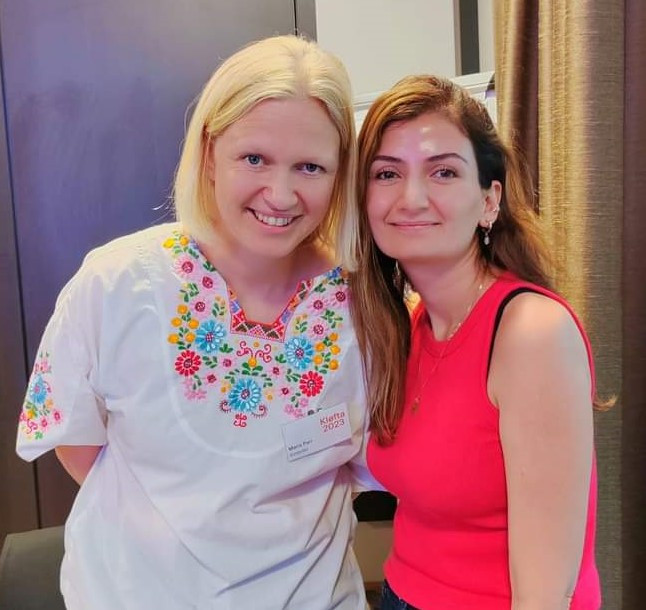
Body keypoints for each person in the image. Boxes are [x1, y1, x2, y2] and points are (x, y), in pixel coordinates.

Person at [16, 35, 375, 610]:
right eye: (254, 159)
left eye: (310, 167)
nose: (280, 194)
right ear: (209, 154)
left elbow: (370, 462)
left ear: (340, 175)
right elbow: (77, 444)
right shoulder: (118, 282)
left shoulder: (365, 306)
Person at [345, 75, 602, 609]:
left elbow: (546, 594)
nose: (411, 197)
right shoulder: (410, 325)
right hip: (399, 593)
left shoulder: (531, 332)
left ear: (489, 200)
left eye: (443, 171)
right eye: (387, 173)